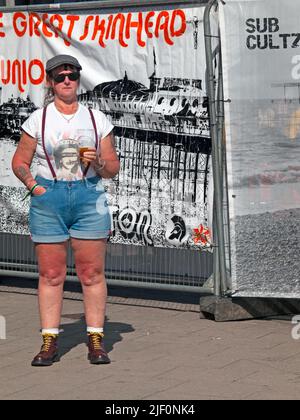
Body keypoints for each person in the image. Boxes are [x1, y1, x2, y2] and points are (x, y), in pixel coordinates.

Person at [12, 54, 120, 367]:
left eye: (72, 75)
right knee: (51, 273)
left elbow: (112, 167)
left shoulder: (97, 119)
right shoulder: (38, 119)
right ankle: (49, 341)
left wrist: (97, 162)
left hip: (89, 196)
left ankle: (96, 339)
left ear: (78, 79)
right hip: (50, 197)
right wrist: (34, 187)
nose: (67, 81)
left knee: (91, 272)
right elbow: (19, 162)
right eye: (60, 77)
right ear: (51, 82)